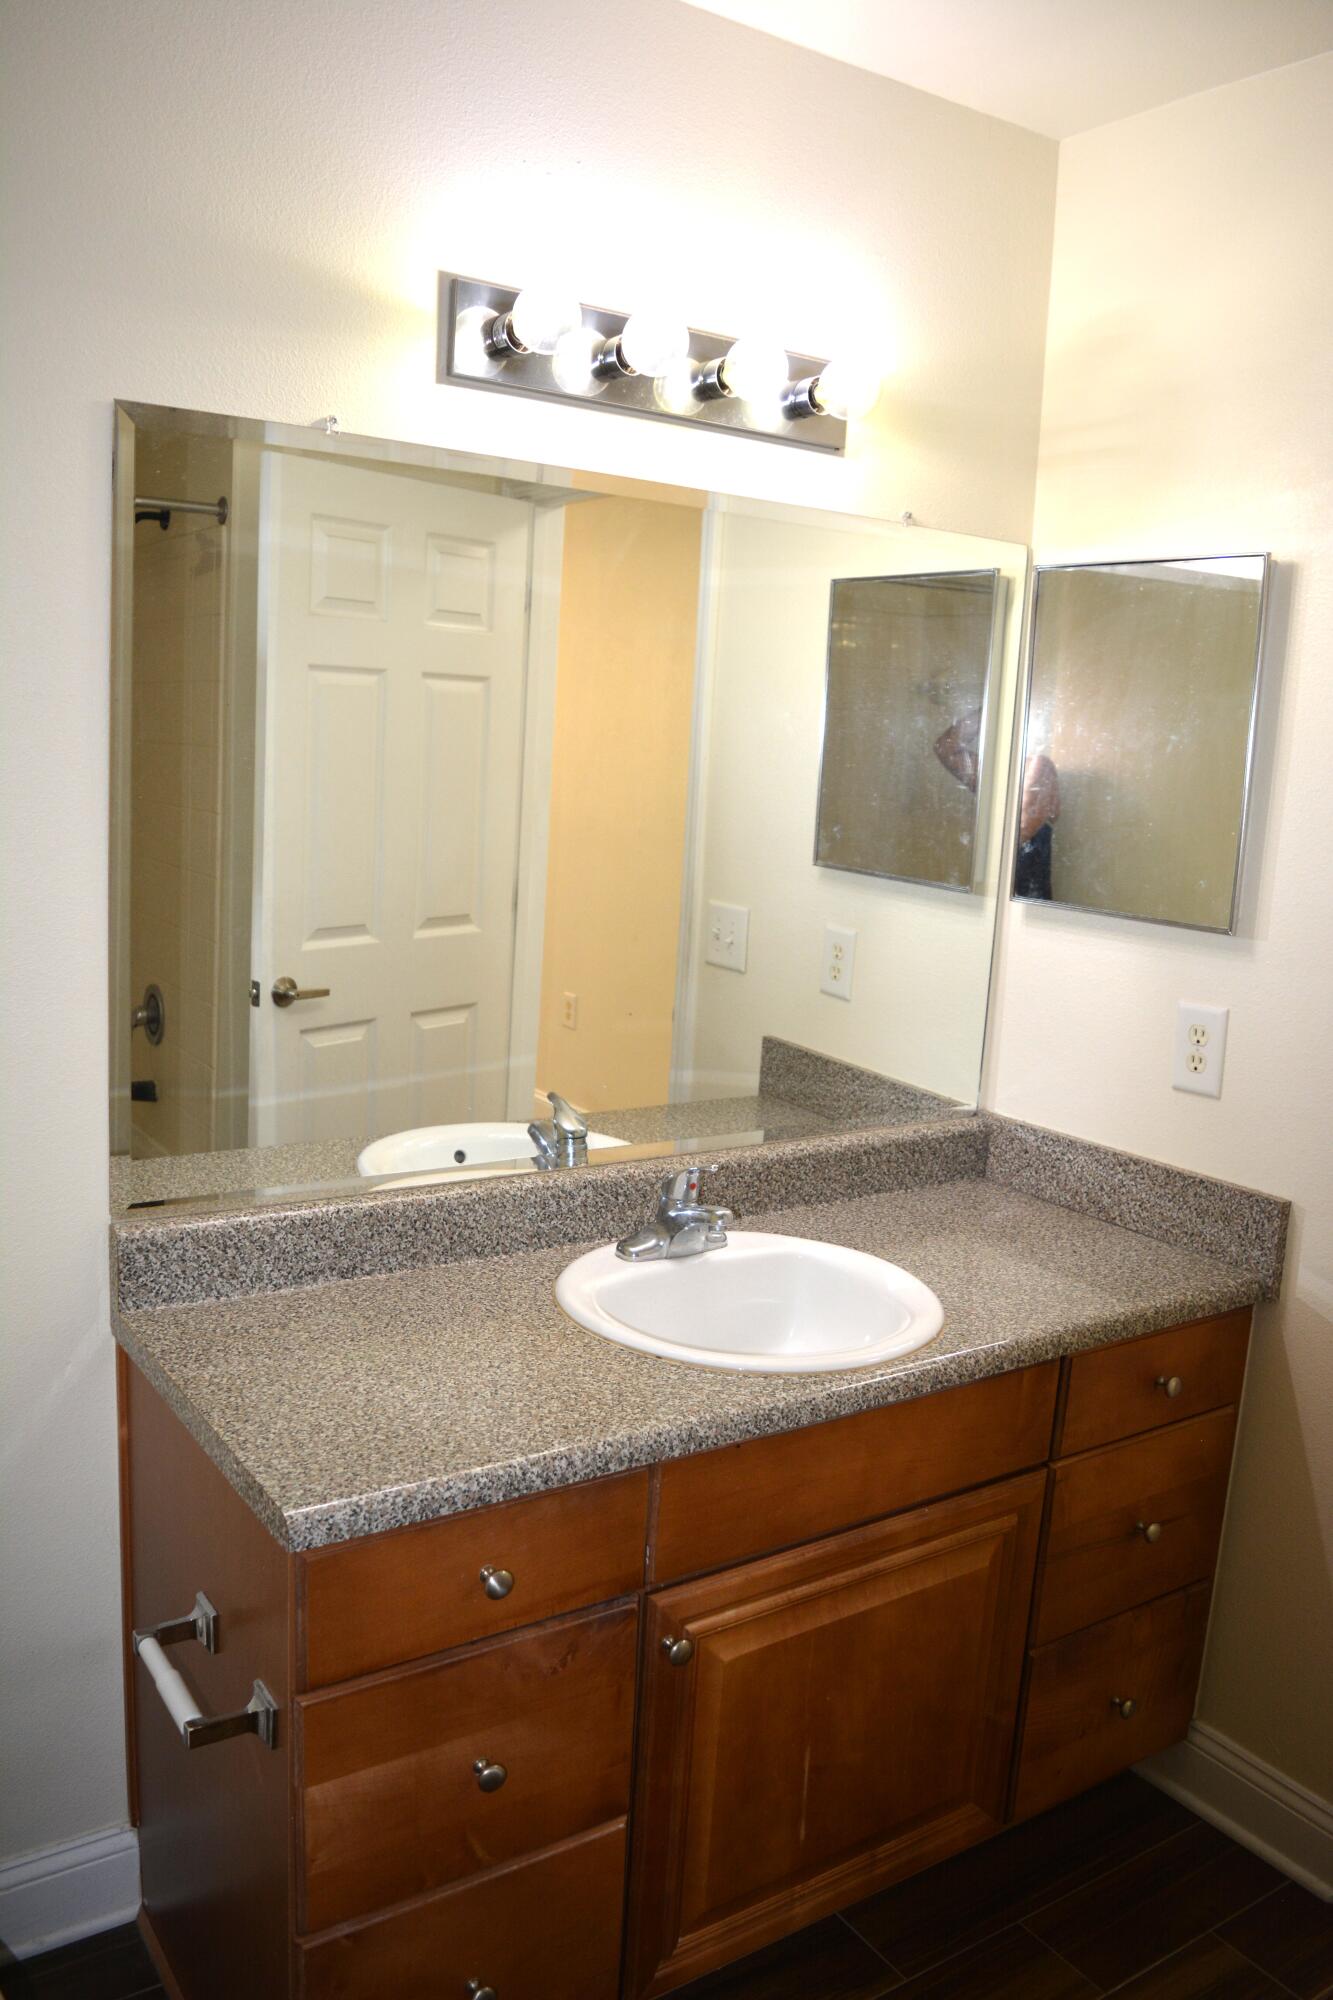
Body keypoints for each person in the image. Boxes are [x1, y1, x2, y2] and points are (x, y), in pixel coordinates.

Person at [933, 709, 1060, 899]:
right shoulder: (995, 773)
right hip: (991, 898)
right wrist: (992, 706)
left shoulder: (1039, 767)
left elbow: (1021, 831)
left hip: (1025, 907)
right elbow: (945, 748)